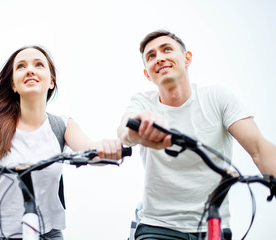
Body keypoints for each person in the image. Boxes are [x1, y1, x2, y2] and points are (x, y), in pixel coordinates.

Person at [0, 45, 123, 240]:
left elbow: (91, 151)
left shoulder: (62, 126)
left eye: (39, 65)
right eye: (21, 66)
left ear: (51, 81)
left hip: (46, 232)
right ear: (13, 85)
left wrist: (105, 149)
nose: (30, 70)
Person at [117, 30, 276, 240]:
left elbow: (258, 148)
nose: (160, 58)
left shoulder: (217, 97)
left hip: (214, 226)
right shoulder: (142, 102)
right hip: (158, 226)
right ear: (147, 73)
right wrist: (140, 128)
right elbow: (125, 131)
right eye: (151, 56)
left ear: (187, 58)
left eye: (166, 49)